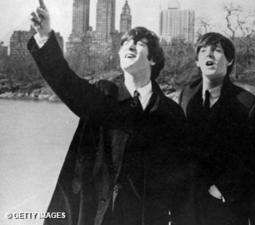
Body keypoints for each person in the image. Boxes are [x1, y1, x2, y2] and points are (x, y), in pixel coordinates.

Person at [28, 1, 189, 225]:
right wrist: (45, 36)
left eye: (139, 43)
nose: (130, 45)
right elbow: (67, 83)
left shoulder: (170, 113)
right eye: (125, 43)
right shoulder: (105, 94)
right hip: (93, 213)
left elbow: (179, 176)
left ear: (153, 59)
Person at [178, 32, 255, 225]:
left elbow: (253, 160)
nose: (209, 55)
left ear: (230, 60)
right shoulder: (186, 95)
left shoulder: (248, 104)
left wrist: (223, 188)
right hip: (188, 205)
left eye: (217, 51)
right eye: (203, 51)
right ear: (197, 62)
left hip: (226, 207)